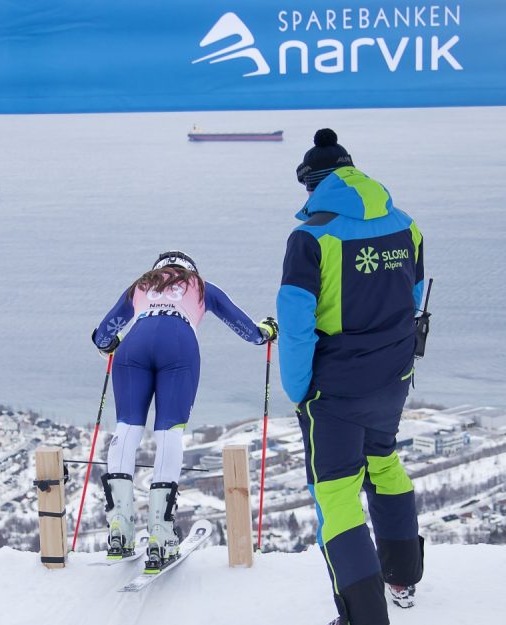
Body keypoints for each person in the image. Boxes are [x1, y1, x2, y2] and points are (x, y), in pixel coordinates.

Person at [277, 129, 425, 625]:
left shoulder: (310, 238)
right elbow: (414, 299)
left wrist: (298, 391)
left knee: (337, 492)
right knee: (383, 461)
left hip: (334, 391)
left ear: (313, 183)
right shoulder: (407, 226)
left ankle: (363, 616)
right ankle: (402, 574)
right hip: (394, 376)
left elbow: (296, 328)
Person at [92, 251, 276, 571]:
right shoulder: (202, 286)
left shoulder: (141, 284)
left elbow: (103, 335)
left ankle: (119, 527)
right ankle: (161, 533)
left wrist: (111, 343)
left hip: (133, 345)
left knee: (127, 429)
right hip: (178, 343)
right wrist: (266, 332)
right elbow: (245, 327)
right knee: (169, 431)